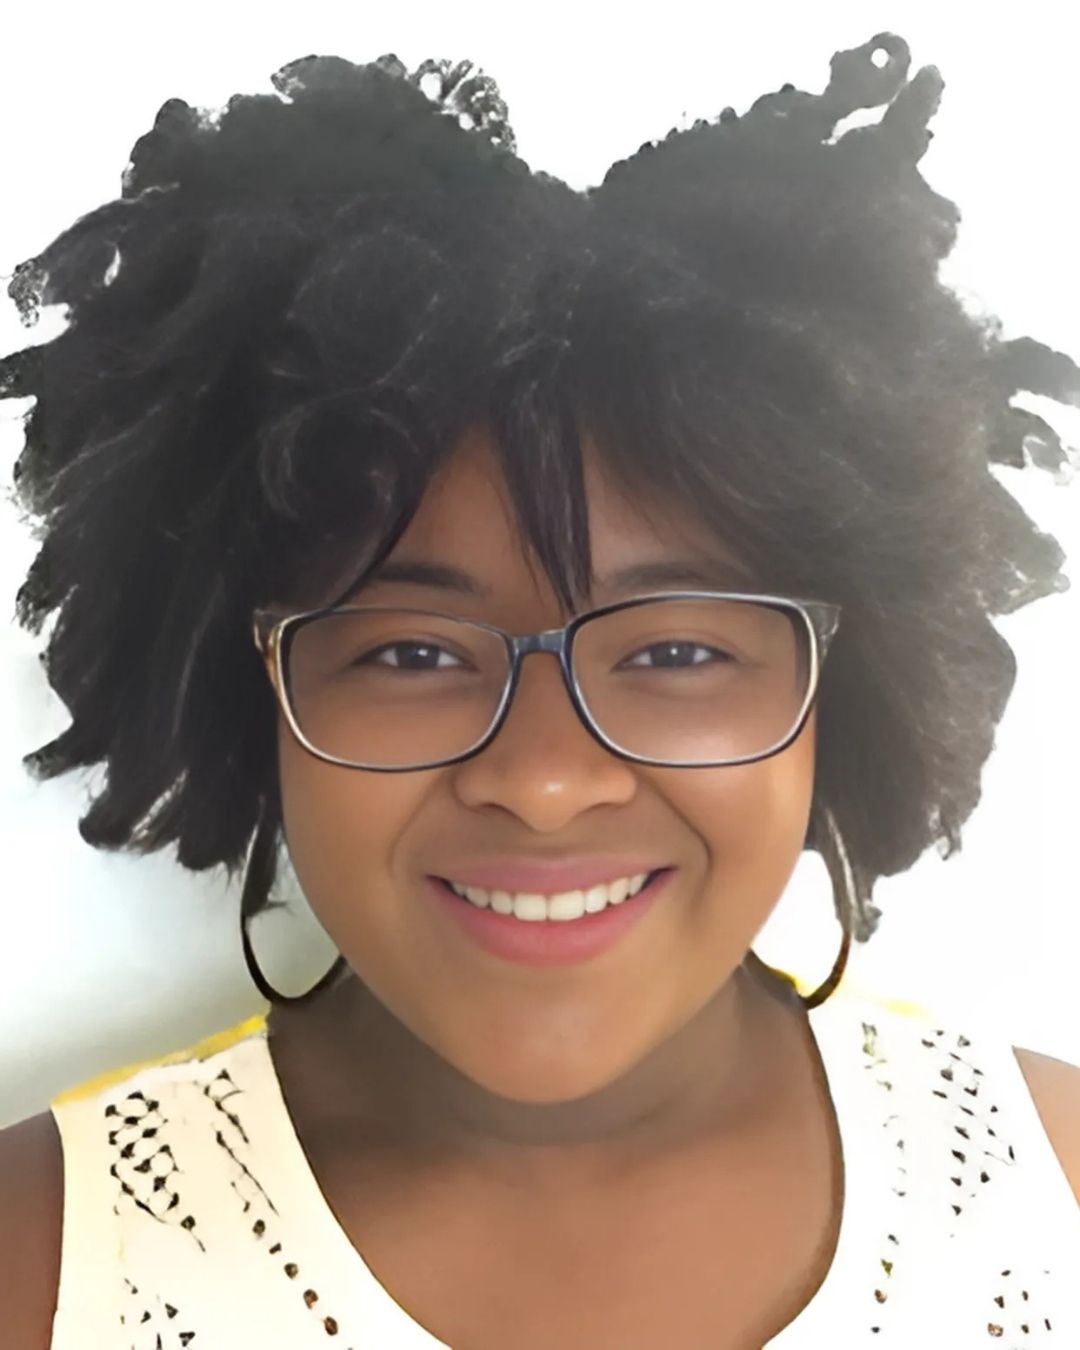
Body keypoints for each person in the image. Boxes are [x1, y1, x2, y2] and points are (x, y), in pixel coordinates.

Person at [1, 31, 1078, 1349]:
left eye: (679, 650)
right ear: (249, 689)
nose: (547, 778)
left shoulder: (1055, 1187)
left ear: (843, 693)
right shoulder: (37, 1264)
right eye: (408, 650)